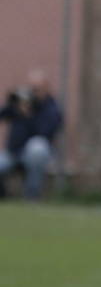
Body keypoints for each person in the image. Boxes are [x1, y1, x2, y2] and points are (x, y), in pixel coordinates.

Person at [0, 69, 62, 199]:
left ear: (46, 88)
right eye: (31, 88)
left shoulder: (51, 107)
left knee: (37, 147)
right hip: (13, 152)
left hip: (37, 154)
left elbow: (44, 132)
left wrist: (29, 115)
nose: (33, 92)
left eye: (37, 89)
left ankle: (32, 196)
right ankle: (4, 196)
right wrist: (11, 103)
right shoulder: (22, 102)